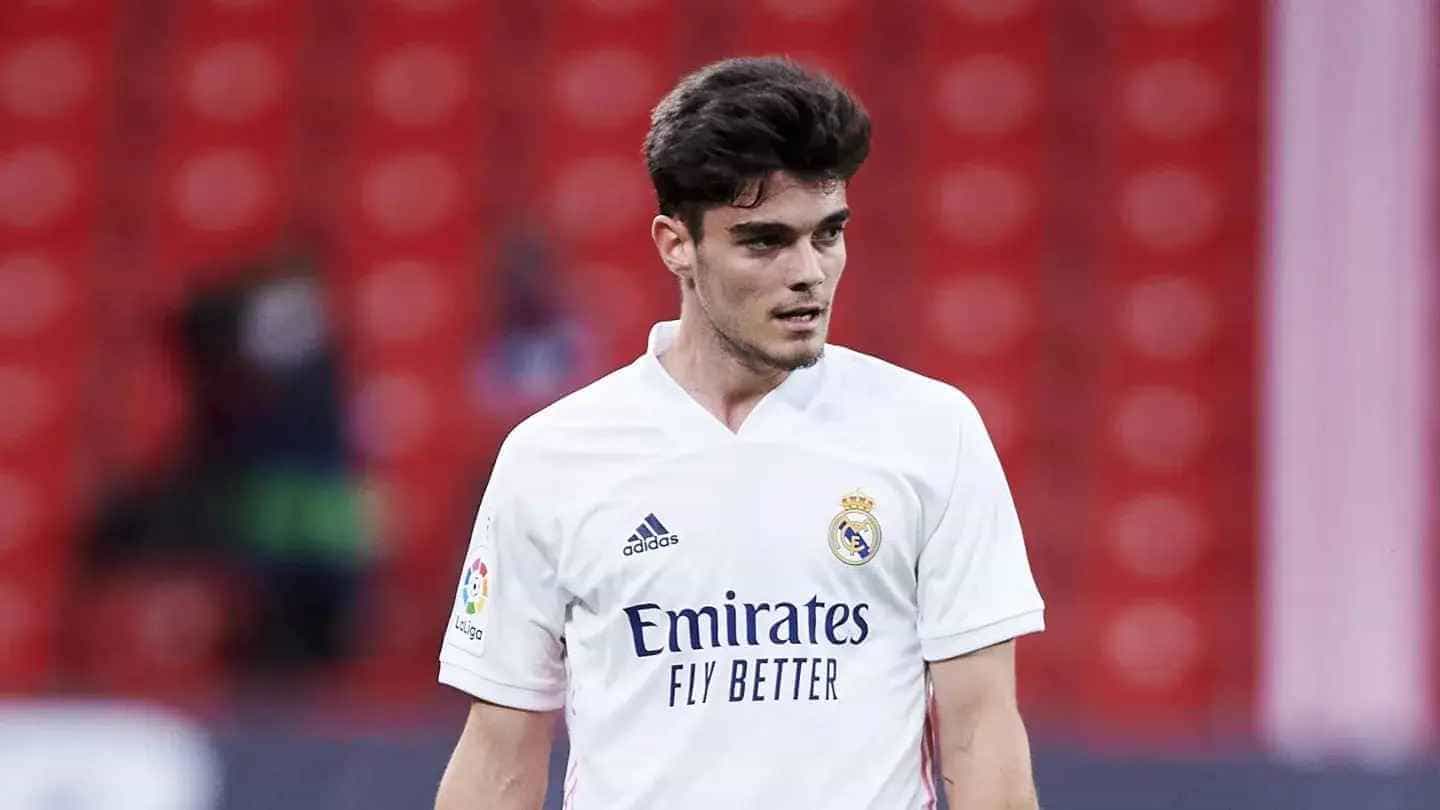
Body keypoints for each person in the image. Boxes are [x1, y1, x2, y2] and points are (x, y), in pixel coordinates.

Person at [434, 56, 1045, 810]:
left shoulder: (931, 432)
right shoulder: (552, 457)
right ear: (676, 244)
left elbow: (982, 733)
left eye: (828, 234)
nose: (809, 271)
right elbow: (499, 752)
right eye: (765, 241)